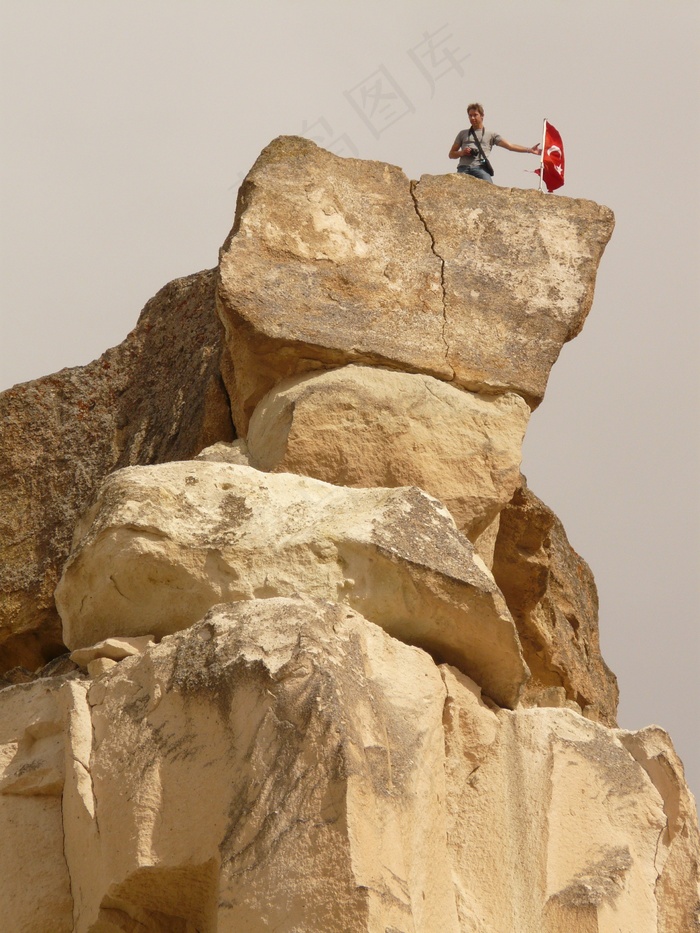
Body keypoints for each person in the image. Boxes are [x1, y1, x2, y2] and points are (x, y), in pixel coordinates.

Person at [449, 103, 540, 182]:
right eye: (470, 115)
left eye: (475, 115)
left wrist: (530, 150)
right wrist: (462, 152)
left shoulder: (491, 134)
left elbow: (510, 146)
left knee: (490, 188)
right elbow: (451, 154)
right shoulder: (463, 133)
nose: (472, 118)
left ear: (482, 115)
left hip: (480, 168)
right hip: (463, 168)